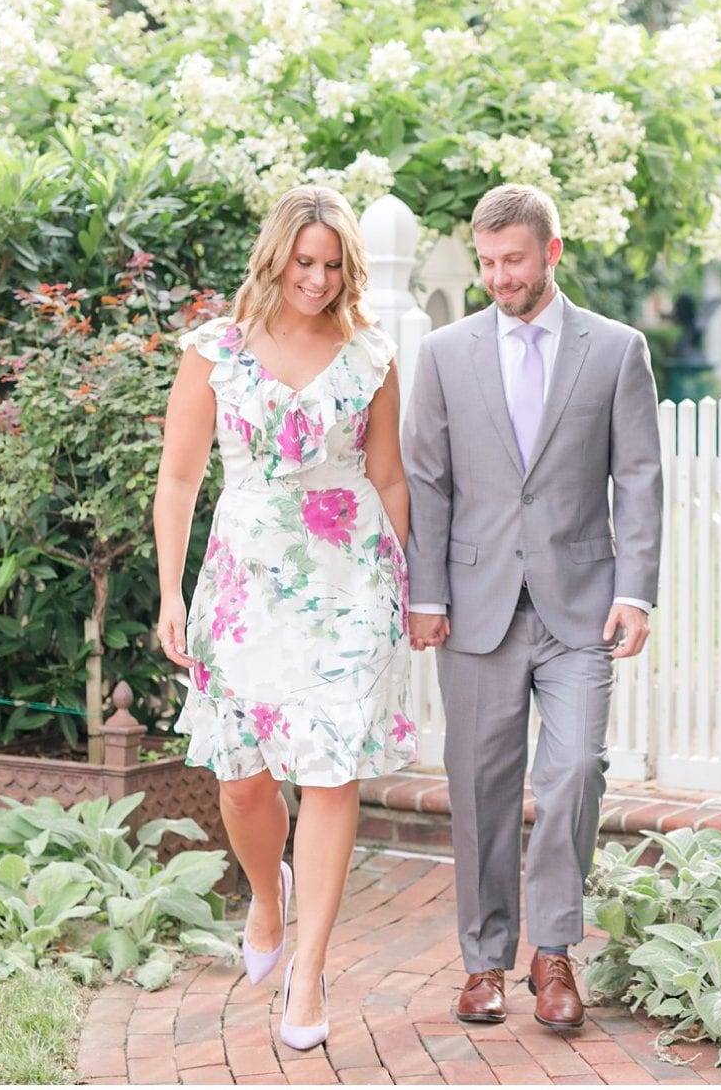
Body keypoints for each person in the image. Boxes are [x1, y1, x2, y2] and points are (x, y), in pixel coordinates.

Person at [153, 184, 417, 1051]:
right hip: (245, 581)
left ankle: (308, 972)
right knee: (244, 778)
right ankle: (268, 896)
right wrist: (169, 593)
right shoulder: (215, 351)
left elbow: (386, 478)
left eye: (333, 265)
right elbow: (181, 480)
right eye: (304, 261)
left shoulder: (371, 354)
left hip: (351, 583)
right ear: (275, 257)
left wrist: (408, 585)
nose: (317, 278)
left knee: (333, 770)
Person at [402, 183, 663, 1029]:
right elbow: (428, 482)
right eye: (485, 262)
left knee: (576, 768)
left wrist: (635, 590)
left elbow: (639, 476)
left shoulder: (617, 350)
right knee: (479, 787)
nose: (497, 277)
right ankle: (485, 963)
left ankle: (554, 955)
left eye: (512, 260)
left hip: (581, 605)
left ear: (552, 252)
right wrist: (427, 592)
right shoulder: (444, 354)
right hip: (473, 604)